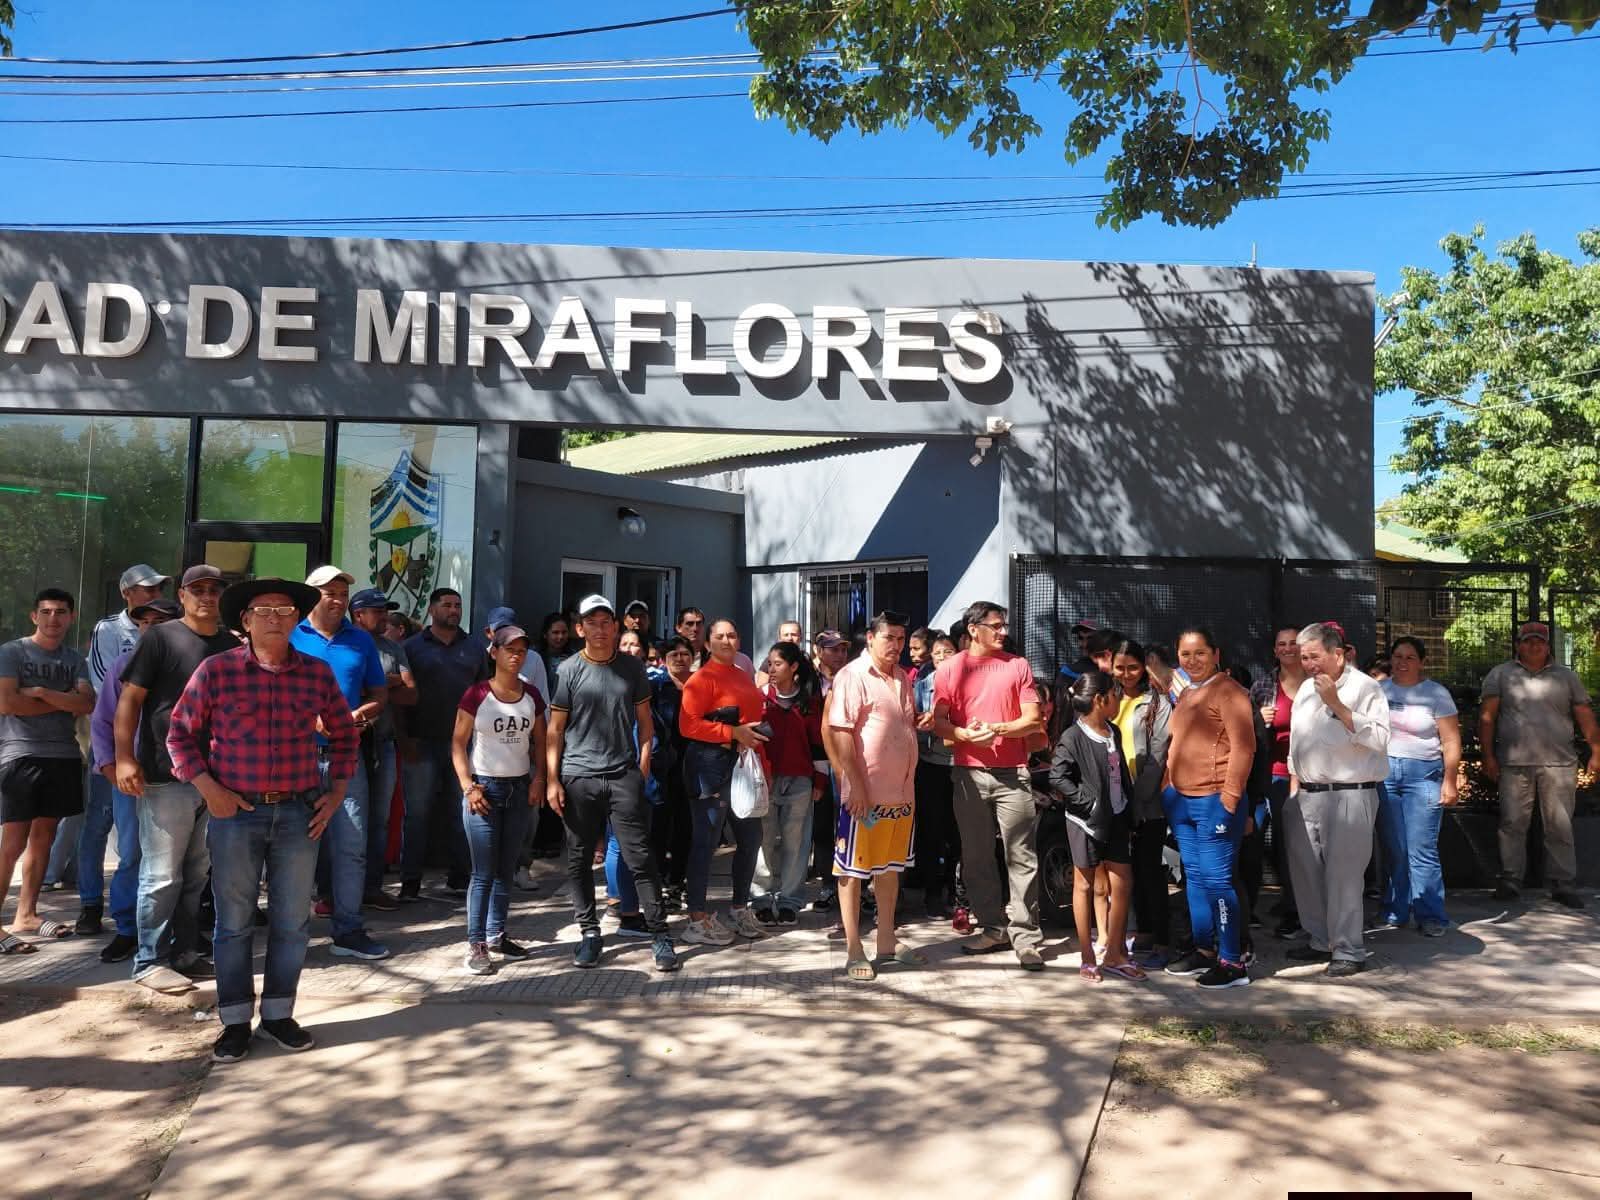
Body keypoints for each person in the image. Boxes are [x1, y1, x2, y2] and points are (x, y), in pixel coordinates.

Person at [167, 576, 358, 1064]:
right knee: (233, 924)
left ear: (297, 621)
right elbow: (179, 736)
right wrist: (210, 790)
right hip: (236, 813)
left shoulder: (316, 674)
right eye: (264, 609)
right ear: (246, 622)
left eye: (285, 609)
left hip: (299, 813)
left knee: (293, 922)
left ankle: (277, 1015)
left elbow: (344, 734)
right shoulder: (217, 671)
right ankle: (234, 1021)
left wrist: (336, 791)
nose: (275, 616)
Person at [116, 565, 240, 993]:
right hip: (165, 775)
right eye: (198, 589)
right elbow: (129, 701)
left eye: (215, 589)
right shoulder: (160, 637)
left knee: (196, 872)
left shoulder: (230, 645)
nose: (207, 596)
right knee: (161, 874)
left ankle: (185, 952)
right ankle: (149, 960)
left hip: (219, 777)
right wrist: (123, 759)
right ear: (184, 596)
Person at [546, 595, 678, 972]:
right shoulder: (569, 670)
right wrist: (553, 779)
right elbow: (555, 730)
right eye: (592, 622)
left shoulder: (631, 668)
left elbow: (645, 722)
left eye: (606, 622)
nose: (600, 629)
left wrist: (643, 763)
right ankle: (589, 933)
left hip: (622, 775)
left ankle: (659, 935)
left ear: (616, 627)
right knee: (578, 859)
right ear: (580, 628)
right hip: (579, 776)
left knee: (640, 858)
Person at [932, 601, 1045, 971]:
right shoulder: (950, 668)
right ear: (974, 628)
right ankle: (993, 927)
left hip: (1014, 772)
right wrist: (964, 734)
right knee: (977, 855)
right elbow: (940, 722)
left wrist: (998, 729)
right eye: (995, 626)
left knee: (1021, 855)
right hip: (968, 774)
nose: (1003, 632)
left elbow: (1032, 718)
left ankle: (1026, 937)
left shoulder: (1018, 665)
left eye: (1003, 626)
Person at [291, 566, 390, 961]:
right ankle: (292, 935)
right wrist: (307, 719)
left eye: (342, 593)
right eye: (329, 592)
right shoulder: (292, 635)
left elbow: (380, 696)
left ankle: (348, 931)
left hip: (346, 758)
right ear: (311, 594)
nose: (337, 599)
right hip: (295, 759)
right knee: (295, 850)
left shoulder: (360, 641)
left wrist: (353, 718)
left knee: (352, 847)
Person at [1283, 621, 1392, 977]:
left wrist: (1338, 705)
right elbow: (1298, 743)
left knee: (1344, 877)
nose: (1309, 663)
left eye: (1314, 656)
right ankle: (1320, 939)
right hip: (1306, 794)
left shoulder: (1366, 688)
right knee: (1307, 874)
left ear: (1338, 653)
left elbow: (1378, 738)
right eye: (1304, 657)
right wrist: (1294, 791)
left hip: (1349, 794)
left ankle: (1349, 949)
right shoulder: (1304, 690)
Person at [826, 610, 922, 980]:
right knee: (853, 871)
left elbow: (902, 727)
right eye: (889, 639)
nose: (896, 646)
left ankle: (887, 940)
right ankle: (854, 948)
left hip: (901, 793)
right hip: (864, 796)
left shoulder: (902, 677)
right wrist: (858, 787)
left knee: (890, 869)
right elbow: (841, 733)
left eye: (901, 639)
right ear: (870, 638)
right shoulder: (852, 676)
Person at [76, 563, 171, 935]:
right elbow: (105, 693)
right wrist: (112, 762)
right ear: (126, 593)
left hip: (163, 765)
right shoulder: (110, 631)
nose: (153, 596)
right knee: (104, 828)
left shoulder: (176, 638)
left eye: (158, 589)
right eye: (145, 590)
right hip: (118, 756)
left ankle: (153, 926)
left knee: (156, 849)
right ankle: (91, 906)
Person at [0, 589, 96, 954]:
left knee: (44, 839)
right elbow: (7, 702)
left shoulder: (76, 659)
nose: (53, 618)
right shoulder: (13, 652)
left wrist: (39, 691)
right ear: (33, 616)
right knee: (12, 844)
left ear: (70, 617)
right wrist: (61, 702)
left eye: (60, 612)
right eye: (46, 611)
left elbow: (86, 703)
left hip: (64, 757)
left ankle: (27, 914)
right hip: (20, 755)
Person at [1479, 620, 1599, 909]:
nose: (1534, 645)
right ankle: (1510, 879)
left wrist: (1596, 750)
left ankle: (1562, 882)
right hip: (1513, 763)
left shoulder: (1567, 677)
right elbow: (1487, 718)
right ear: (1518, 644)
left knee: (1559, 825)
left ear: (1548, 646)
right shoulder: (1501, 675)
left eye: (1540, 641)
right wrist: (1488, 756)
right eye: (1528, 640)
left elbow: (1584, 714)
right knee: (1511, 823)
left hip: (1559, 764)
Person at [1161, 627, 1255, 989]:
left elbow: (1244, 748)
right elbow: (1177, 743)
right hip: (1182, 802)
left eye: (1200, 653)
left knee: (1217, 881)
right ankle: (1204, 951)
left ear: (1216, 653)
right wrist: (1168, 788)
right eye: (1185, 654)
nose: (1192, 660)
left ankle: (1232, 962)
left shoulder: (1230, 692)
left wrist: (1230, 798)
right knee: (1196, 879)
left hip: (1215, 801)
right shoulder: (1187, 694)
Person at [88, 597, 180, 963]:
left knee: (180, 860)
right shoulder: (122, 666)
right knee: (132, 854)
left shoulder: (191, 662)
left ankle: (177, 933)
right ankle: (128, 929)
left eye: (160, 622)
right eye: (145, 623)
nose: (150, 629)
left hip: (179, 777)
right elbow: (102, 721)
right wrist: (111, 767)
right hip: (133, 779)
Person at [453, 625, 546, 975]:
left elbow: (540, 741)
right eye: (509, 649)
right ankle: (475, 943)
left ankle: (496, 934)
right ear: (494, 653)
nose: (516, 655)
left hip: (519, 788)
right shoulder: (477, 694)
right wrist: (468, 785)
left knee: (507, 868)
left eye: (522, 650)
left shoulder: (532, 695)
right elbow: (458, 744)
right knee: (483, 872)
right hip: (485, 790)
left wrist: (539, 778)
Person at [679, 618, 770, 945]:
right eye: (719, 636)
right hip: (709, 765)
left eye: (732, 635)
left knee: (750, 837)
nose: (727, 641)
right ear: (708, 643)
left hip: (744, 765)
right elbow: (687, 726)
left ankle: (739, 907)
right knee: (706, 841)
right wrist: (731, 732)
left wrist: (751, 734)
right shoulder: (700, 679)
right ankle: (697, 918)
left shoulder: (742, 676)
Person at [1050, 671, 1143, 982]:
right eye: (1115, 695)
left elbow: (1120, 777)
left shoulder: (1112, 731)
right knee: (1085, 885)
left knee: (1123, 881)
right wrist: (1086, 802)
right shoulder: (1072, 737)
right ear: (1101, 700)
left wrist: (1128, 810)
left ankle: (1116, 952)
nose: (1119, 701)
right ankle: (1088, 956)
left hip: (1117, 817)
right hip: (1085, 822)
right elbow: (1057, 776)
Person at [400, 588, 481, 900]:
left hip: (465, 744)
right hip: (421, 742)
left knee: (462, 811)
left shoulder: (474, 647)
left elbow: (484, 695)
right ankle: (410, 883)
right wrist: (405, 738)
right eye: (447, 605)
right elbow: (401, 700)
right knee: (417, 814)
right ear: (432, 609)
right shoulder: (411, 648)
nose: (454, 610)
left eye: (458, 605)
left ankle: (460, 878)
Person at [1377, 636, 1461, 936]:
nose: (1402, 662)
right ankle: (1395, 910)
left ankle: (1431, 914)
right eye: (1397, 656)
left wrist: (1450, 780)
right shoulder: (1379, 690)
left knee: (1422, 850)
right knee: (1394, 848)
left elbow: (1451, 740)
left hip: (1423, 775)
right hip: (1385, 774)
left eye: (1410, 657)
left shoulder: (1436, 693)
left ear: (1422, 662)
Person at [349, 587, 417, 910]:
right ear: (358, 614)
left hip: (384, 743)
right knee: (347, 819)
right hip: (348, 743)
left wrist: (375, 686)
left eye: (385, 610)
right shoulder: (346, 643)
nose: (384, 616)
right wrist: (388, 682)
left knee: (379, 819)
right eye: (376, 611)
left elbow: (411, 694)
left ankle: (371, 887)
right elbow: (346, 688)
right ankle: (331, 891)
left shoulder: (393, 648)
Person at [1108, 639, 1173, 968]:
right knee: (1124, 871)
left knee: (1150, 871)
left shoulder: (1157, 703)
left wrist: (1136, 800)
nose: (1126, 674)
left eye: (1132, 667)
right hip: (1112, 801)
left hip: (1148, 803)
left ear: (1143, 667)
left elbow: (1157, 756)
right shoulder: (1107, 698)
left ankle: (1162, 939)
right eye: (1119, 667)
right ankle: (1141, 931)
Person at [754, 641, 825, 924]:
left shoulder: (809, 703)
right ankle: (760, 897)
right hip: (766, 781)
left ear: (794, 668)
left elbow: (818, 745)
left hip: (800, 782)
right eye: (769, 663)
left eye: (778, 664)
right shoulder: (759, 698)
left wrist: (819, 781)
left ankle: (790, 900)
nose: (771, 669)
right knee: (764, 839)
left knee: (796, 842)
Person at [1250, 626, 1309, 939]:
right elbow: (1244, 727)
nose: (1288, 649)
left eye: (1293, 644)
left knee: (1294, 845)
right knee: (1254, 838)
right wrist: (1258, 718)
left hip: (1305, 774)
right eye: (1281, 644)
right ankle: (1248, 909)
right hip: (1268, 772)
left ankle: (1296, 910)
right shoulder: (1263, 685)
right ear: (1274, 650)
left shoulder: (1318, 685)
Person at [912, 633, 959, 919]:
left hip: (961, 764)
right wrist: (926, 725)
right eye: (938, 653)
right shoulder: (922, 685)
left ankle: (956, 892)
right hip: (930, 764)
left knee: (958, 833)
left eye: (948, 652)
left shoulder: (969, 684)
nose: (942, 658)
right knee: (931, 831)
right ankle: (932, 894)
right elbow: (912, 723)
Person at [649, 635, 695, 906]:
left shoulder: (701, 685)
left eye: (685, 654)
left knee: (686, 827)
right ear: (663, 661)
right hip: (662, 765)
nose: (680, 659)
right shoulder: (655, 687)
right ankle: (658, 883)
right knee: (659, 826)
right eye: (674, 655)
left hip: (693, 764)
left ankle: (678, 881)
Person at [537, 611, 575, 688]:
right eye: (555, 632)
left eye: (564, 632)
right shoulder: (534, 657)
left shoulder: (574, 658)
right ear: (545, 634)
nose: (560, 637)